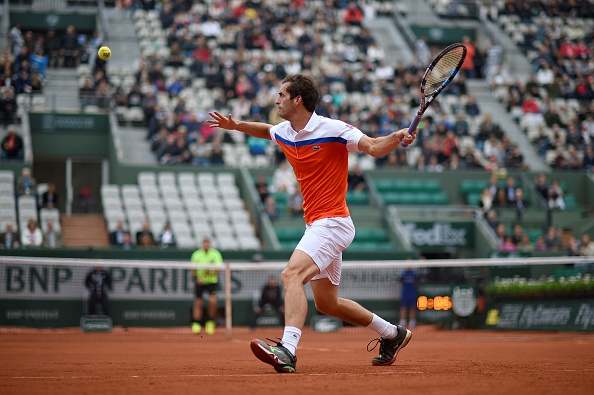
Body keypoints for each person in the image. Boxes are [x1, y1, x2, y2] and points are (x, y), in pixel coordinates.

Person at [208, 73, 416, 373]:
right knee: (327, 304)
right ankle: (392, 334)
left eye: (281, 94)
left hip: (333, 222)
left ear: (298, 100)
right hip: (317, 224)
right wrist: (236, 126)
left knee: (291, 276)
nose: (276, 99)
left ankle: (287, 350)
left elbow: (372, 146)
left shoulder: (333, 129)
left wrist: (396, 138)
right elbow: (265, 130)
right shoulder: (286, 131)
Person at [190, 237, 223, 336]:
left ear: (209, 244)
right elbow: (193, 270)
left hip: (211, 282)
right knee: (198, 302)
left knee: (213, 301)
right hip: (199, 282)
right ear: (202, 244)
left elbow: (218, 269)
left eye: (207, 243)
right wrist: (197, 277)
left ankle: (210, 322)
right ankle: (196, 323)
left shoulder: (216, 254)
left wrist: (207, 273)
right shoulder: (196, 254)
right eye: (204, 243)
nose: (206, 245)